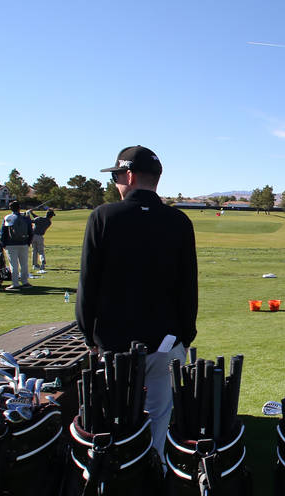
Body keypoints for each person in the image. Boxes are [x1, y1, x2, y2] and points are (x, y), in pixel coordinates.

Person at [77, 145, 197, 459]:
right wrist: (185, 336)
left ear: (128, 175)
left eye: (117, 176)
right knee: (157, 423)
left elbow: (88, 284)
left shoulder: (103, 217)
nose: (116, 182)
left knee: (116, 422)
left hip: (114, 345)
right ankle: (153, 482)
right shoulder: (179, 222)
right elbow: (188, 288)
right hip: (165, 341)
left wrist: (88, 334)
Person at [0, 201, 33, 291]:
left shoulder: (8, 217)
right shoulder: (25, 217)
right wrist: (28, 242)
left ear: (11, 208)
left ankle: (15, 283)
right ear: (19, 208)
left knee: (13, 265)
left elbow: (3, 232)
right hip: (24, 243)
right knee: (24, 264)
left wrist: (3, 243)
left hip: (11, 244)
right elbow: (31, 231)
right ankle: (25, 282)